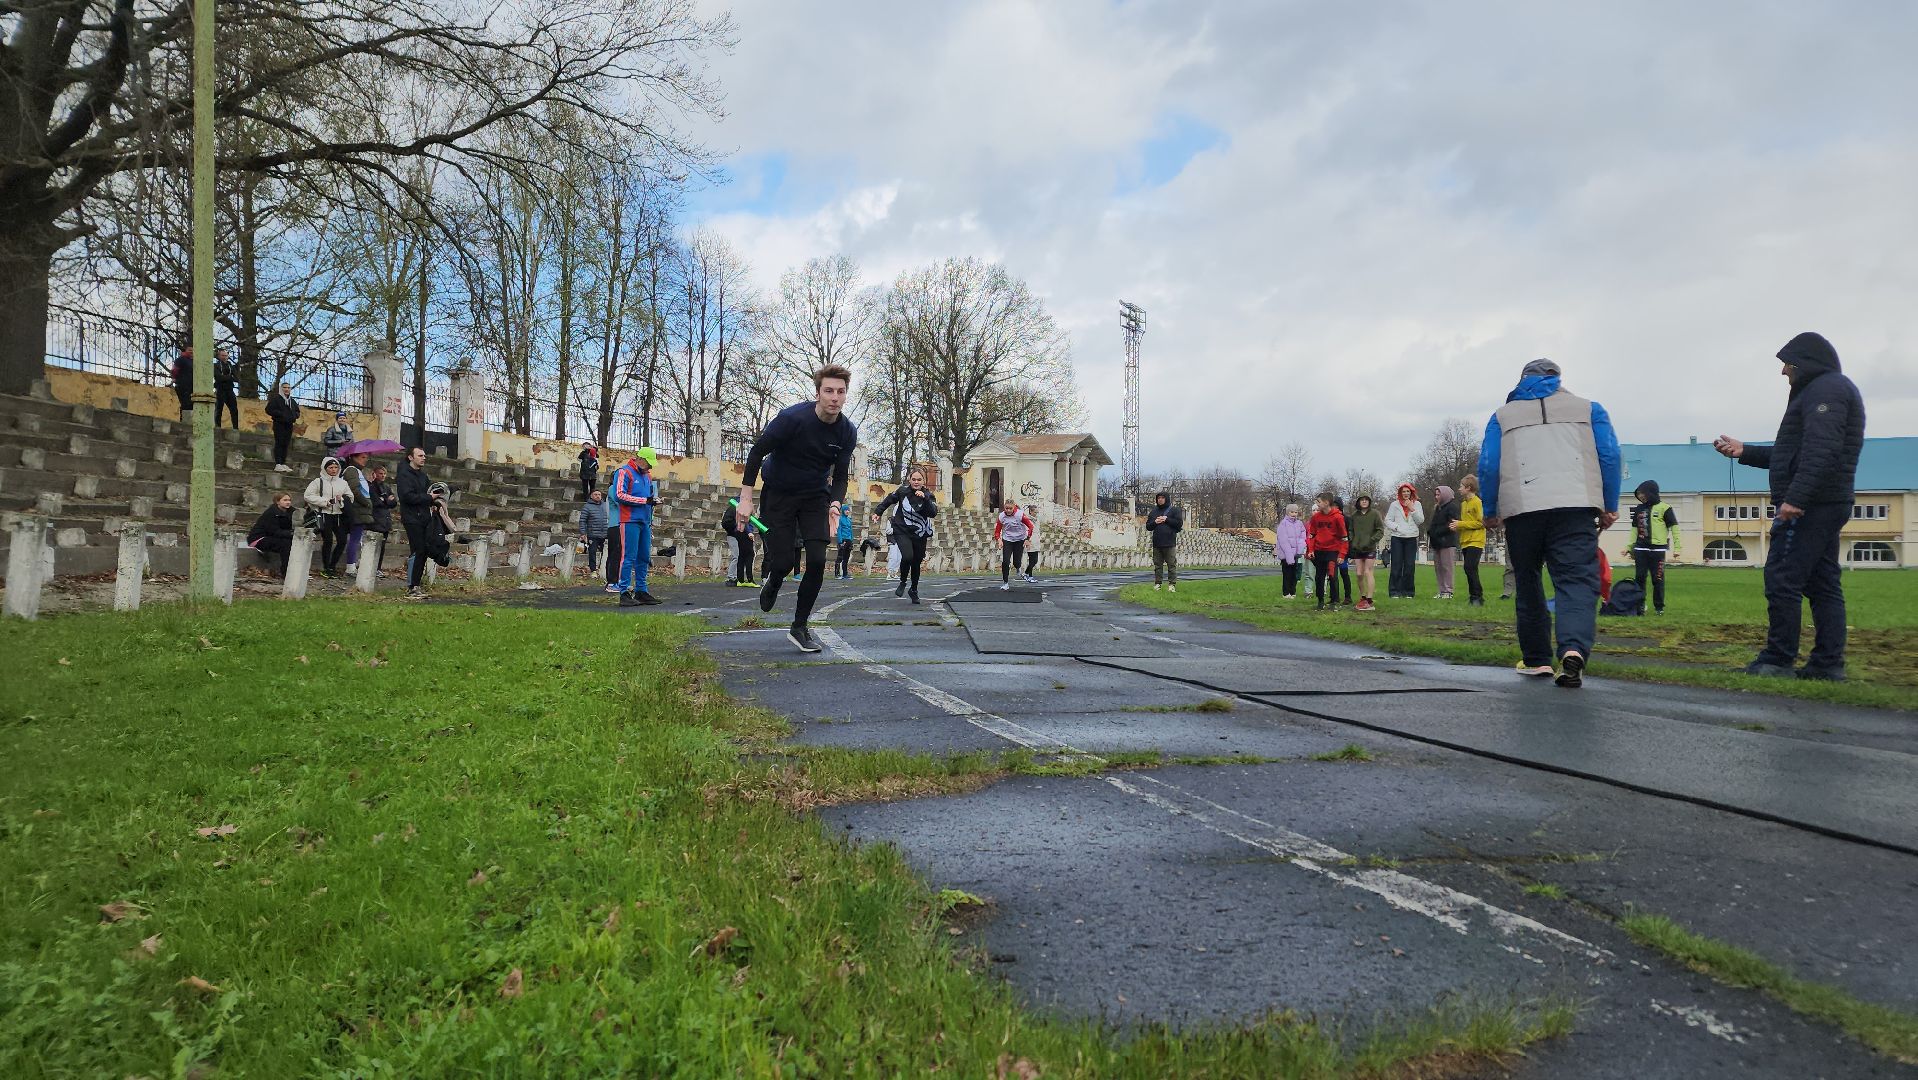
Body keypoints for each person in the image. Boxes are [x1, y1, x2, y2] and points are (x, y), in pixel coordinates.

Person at [1713, 331, 1865, 681]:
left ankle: (1778, 659)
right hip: (1825, 501)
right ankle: (1827, 665)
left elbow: (1821, 451)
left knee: (1782, 577)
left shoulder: (1826, 391)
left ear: (1805, 364)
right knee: (1823, 582)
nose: (1783, 372)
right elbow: (1793, 455)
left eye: (1788, 364)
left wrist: (1796, 499)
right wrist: (1745, 451)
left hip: (1812, 504)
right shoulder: (1820, 392)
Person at [1479, 358, 1621, 689]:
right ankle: (1573, 648)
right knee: (1576, 580)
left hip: (1522, 508)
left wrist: (1490, 509)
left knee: (1527, 580)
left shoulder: (1502, 416)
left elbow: (1488, 464)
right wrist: (1609, 505)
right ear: (1559, 380)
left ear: (1522, 380)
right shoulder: (1590, 409)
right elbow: (1610, 455)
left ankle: (1536, 659)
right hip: (1575, 506)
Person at [737, 365, 857, 650]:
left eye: (840, 392)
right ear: (818, 393)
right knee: (783, 562)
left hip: (815, 496)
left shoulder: (846, 432)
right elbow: (757, 452)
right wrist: (745, 498)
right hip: (779, 493)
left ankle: (800, 626)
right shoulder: (791, 419)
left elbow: (840, 476)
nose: (834, 398)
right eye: (828, 391)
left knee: (817, 560)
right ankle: (774, 579)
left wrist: (836, 504)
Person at [874, 466, 937, 605]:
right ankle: (902, 581)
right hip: (902, 530)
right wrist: (878, 512)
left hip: (920, 532)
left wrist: (925, 499)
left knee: (916, 562)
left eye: (919, 479)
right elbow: (890, 499)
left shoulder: (929, 495)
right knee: (907, 556)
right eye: (913, 479)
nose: (916, 482)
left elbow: (933, 513)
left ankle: (913, 590)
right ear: (909, 479)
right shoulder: (903, 491)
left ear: (923, 481)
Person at [612, 448, 662, 607]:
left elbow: (647, 497)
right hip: (629, 520)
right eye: (649, 463)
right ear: (640, 459)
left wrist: (653, 501)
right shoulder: (624, 472)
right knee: (628, 557)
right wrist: (644, 501)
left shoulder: (647, 476)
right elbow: (619, 495)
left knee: (644, 557)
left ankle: (641, 590)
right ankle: (624, 591)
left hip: (644, 520)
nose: (651, 467)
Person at [1628, 480, 1681, 615]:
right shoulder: (1639, 509)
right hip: (1641, 549)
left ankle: (1659, 608)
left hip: (1658, 551)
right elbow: (1634, 529)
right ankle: (1640, 607)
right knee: (1639, 577)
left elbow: (1674, 528)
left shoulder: (1665, 508)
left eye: (1643, 493)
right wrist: (1629, 547)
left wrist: (1677, 548)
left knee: (1657, 579)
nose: (1641, 496)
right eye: (1638, 494)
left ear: (1650, 493)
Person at [398, 446, 437, 597]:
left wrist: (434, 502)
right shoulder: (404, 475)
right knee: (418, 550)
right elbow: (407, 497)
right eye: (420, 455)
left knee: (424, 551)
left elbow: (428, 493)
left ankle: (416, 584)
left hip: (424, 518)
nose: (424, 458)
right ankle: (412, 586)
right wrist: (429, 498)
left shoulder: (423, 476)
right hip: (411, 518)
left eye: (424, 455)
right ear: (410, 457)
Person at [303, 457, 351, 576]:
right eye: (330, 467)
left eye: (336, 467)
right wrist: (325, 501)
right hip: (324, 514)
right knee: (328, 540)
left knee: (342, 540)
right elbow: (308, 496)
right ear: (325, 469)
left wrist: (341, 500)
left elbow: (350, 497)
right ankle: (326, 568)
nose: (334, 470)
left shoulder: (343, 483)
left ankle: (333, 565)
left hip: (338, 515)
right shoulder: (317, 481)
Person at [1305, 493, 1348, 610]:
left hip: (1333, 551)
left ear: (1326, 503)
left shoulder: (1338, 517)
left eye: (1318, 502)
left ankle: (1333, 602)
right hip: (1319, 551)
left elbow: (1344, 537)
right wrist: (1311, 549)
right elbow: (1312, 535)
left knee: (1332, 575)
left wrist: (1342, 554)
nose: (1317, 504)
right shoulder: (1316, 517)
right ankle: (1320, 601)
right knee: (1319, 577)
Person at [1382, 483, 1424, 599]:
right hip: (1397, 538)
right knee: (1396, 565)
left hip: (1411, 537)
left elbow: (1420, 521)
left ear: (1411, 492)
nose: (1406, 494)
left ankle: (1408, 592)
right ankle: (1394, 591)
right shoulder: (1394, 505)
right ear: (1400, 493)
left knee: (1409, 565)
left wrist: (1412, 509)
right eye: (1403, 491)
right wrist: (1396, 527)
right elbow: (1387, 520)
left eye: (1408, 491)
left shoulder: (1417, 504)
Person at [338, 452, 375, 572]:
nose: (365, 460)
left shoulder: (357, 471)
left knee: (357, 538)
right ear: (353, 458)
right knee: (355, 538)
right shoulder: (351, 470)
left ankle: (353, 563)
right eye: (362, 457)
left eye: (366, 458)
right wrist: (366, 502)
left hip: (359, 509)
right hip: (357, 509)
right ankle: (350, 566)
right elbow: (354, 489)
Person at [1346, 494, 1383, 611]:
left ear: (1369, 501)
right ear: (1358, 502)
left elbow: (1380, 530)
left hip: (1370, 548)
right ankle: (1363, 597)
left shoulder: (1375, 514)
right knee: (1359, 573)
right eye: (1362, 500)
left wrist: (1371, 540)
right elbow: (1350, 530)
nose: (1364, 502)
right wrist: (1352, 540)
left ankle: (1369, 599)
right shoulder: (1354, 516)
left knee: (1368, 571)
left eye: (1366, 500)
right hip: (1357, 548)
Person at [247, 492, 295, 577]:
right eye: (285, 500)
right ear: (277, 502)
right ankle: (286, 573)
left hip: (272, 537)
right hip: (258, 539)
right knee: (286, 544)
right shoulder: (271, 513)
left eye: (289, 500)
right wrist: (292, 534)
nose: (288, 502)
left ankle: (293, 570)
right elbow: (274, 531)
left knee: (291, 542)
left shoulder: (291, 512)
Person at [1456, 475, 1487, 606]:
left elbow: (1481, 523)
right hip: (1465, 540)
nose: (1459, 489)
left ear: (1468, 488)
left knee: (1470, 567)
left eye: (1461, 487)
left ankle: (1477, 597)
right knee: (1469, 569)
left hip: (1476, 540)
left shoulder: (1477, 502)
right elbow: (1466, 523)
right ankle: (1473, 597)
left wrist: (1461, 524)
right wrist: (1457, 526)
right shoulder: (1463, 504)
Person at [992, 499, 1036, 591]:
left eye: (1010, 508)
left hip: (1019, 539)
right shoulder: (1002, 516)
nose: (1008, 510)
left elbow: (1031, 526)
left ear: (1014, 507)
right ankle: (1005, 583)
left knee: (1016, 562)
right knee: (1006, 561)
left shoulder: (1020, 515)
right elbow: (997, 531)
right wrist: (999, 540)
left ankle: (1018, 568)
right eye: (1006, 508)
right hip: (1007, 539)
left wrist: (1027, 539)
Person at [1427, 485, 1461, 599]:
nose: (1436, 497)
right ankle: (1441, 590)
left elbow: (1452, 524)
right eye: (1435, 495)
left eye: (1438, 494)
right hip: (1437, 542)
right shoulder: (1438, 508)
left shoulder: (1451, 507)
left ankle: (1448, 590)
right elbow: (1434, 523)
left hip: (1447, 542)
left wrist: (1438, 532)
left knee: (1447, 567)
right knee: (1438, 567)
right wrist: (1431, 532)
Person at [1147, 491, 1184, 590]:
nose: (1160, 499)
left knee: (1171, 564)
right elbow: (1148, 526)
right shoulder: (1154, 511)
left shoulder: (1174, 510)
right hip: (1157, 542)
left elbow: (1179, 523)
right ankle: (1158, 583)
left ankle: (1172, 584)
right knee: (1157, 565)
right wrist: (1155, 522)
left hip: (1169, 542)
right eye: (1159, 498)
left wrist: (1166, 519)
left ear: (1166, 499)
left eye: (1162, 498)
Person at [367, 465, 398, 571]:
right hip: (375, 519)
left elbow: (394, 502)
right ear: (375, 474)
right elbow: (376, 502)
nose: (383, 475)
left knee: (382, 546)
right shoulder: (371, 487)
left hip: (385, 520)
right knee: (373, 545)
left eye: (384, 473)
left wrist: (385, 500)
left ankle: (378, 568)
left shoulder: (387, 487)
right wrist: (386, 500)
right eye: (381, 473)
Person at [265, 383, 300, 472]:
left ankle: (283, 463)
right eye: (284, 387)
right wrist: (281, 414)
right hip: (279, 424)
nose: (286, 389)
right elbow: (268, 409)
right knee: (279, 442)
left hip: (289, 425)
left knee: (286, 443)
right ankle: (278, 463)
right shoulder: (276, 399)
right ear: (281, 388)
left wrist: (294, 416)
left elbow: (297, 411)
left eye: (288, 388)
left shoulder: (292, 401)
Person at [1274, 503, 1306, 599]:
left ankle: (1293, 592)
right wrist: (1289, 556)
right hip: (1286, 554)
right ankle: (1286, 592)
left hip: (1295, 553)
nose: (1294, 514)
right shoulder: (1283, 524)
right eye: (1292, 512)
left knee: (1294, 574)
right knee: (1287, 574)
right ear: (1288, 512)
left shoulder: (1299, 523)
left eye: (1296, 512)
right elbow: (1283, 541)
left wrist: (1300, 548)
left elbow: (1302, 535)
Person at [721, 503, 758, 588]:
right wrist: (747, 532)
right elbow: (741, 522)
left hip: (737, 535)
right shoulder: (736, 509)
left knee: (739, 556)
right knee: (736, 556)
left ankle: (737, 578)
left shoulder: (738, 509)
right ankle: (731, 578)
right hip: (733, 535)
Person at [579, 490, 608, 575]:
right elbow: (582, 521)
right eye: (595, 494)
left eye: (599, 494)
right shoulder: (587, 507)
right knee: (592, 552)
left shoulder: (605, 506)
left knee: (606, 552)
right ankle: (593, 570)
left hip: (605, 533)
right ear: (591, 496)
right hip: (593, 534)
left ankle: (604, 569)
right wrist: (583, 533)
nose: (598, 496)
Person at [212, 348, 241, 430]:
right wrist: (229, 377)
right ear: (219, 356)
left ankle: (235, 428)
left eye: (226, 356)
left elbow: (237, 378)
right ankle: (218, 426)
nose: (224, 357)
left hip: (229, 389)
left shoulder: (230, 366)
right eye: (222, 355)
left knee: (234, 409)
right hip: (220, 389)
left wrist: (227, 378)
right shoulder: (216, 365)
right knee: (219, 408)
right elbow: (218, 377)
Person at [833, 500, 856, 579]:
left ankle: (845, 574)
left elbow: (851, 530)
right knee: (840, 557)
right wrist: (840, 541)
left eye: (848, 510)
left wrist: (851, 540)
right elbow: (839, 530)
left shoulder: (849, 520)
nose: (847, 511)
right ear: (843, 510)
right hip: (843, 540)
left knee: (846, 558)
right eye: (846, 510)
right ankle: (837, 574)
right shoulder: (840, 519)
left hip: (849, 540)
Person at [170, 346, 194, 420]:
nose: (191, 352)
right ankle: (184, 421)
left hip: (191, 386)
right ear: (185, 350)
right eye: (190, 350)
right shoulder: (180, 360)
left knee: (191, 404)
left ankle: (188, 421)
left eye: (193, 350)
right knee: (185, 404)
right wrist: (174, 378)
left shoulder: (193, 361)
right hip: (182, 385)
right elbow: (174, 370)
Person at [1021, 505, 1043, 581]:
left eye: (1037, 512)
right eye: (1035, 512)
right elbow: (1027, 531)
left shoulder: (1037, 519)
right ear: (1031, 511)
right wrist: (1027, 540)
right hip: (1031, 541)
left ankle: (1025, 573)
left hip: (1036, 541)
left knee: (1035, 560)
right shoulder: (1027, 520)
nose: (1036, 514)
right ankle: (1030, 576)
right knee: (1031, 560)